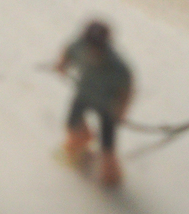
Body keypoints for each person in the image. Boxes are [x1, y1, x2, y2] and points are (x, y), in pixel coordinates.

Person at [56, 19, 134, 187]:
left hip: (107, 106)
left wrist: (121, 110)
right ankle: (82, 140)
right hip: (84, 95)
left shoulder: (118, 68)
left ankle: (111, 173)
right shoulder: (78, 46)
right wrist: (62, 64)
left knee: (107, 146)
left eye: (97, 47)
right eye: (89, 45)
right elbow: (68, 52)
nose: (92, 51)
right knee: (72, 125)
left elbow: (126, 90)